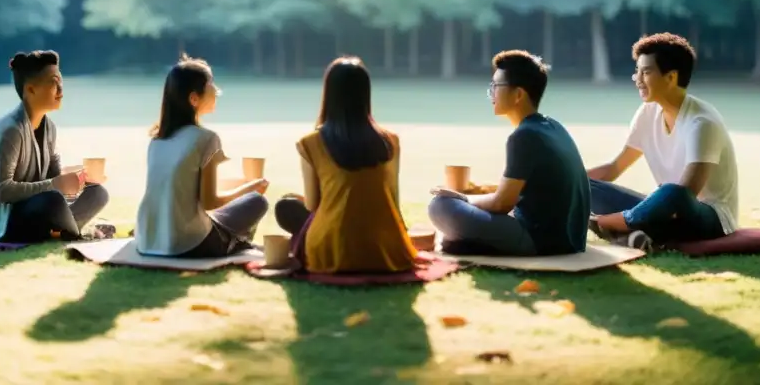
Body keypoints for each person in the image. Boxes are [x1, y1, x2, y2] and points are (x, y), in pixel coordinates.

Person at [428, 50, 590, 257]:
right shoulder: (552, 126)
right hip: (568, 239)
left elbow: (501, 203)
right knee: (457, 205)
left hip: (540, 240)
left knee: (441, 206)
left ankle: (471, 242)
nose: (491, 93)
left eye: (496, 86)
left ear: (518, 95)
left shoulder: (524, 136)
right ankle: (468, 242)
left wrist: (463, 199)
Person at [587, 33, 739, 253]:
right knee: (584, 185)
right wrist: (566, 183)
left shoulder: (702, 122)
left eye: (646, 72)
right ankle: (633, 234)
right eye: (637, 71)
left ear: (671, 77)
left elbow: (686, 196)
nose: (637, 79)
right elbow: (614, 168)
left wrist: (620, 217)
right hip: (660, 210)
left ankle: (608, 225)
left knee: (672, 193)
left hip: (709, 219)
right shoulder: (648, 113)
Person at [274, 56, 418, 273]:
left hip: (331, 250)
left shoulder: (310, 143)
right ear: (365, 94)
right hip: (388, 249)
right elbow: (393, 199)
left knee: (287, 206)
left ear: (329, 94)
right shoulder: (391, 141)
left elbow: (313, 205)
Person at [135, 56, 269, 258]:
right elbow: (210, 202)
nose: (216, 90)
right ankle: (237, 244)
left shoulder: (157, 141)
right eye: (210, 84)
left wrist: (240, 184)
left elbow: (182, 186)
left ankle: (236, 241)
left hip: (148, 240)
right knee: (256, 201)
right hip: (189, 243)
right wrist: (250, 187)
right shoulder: (206, 139)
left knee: (237, 205)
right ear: (194, 99)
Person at [0, 51, 110, 242]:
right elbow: (2, 191)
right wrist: (56, 185)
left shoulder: (49, 128)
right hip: (3, 220)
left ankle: (62, 229)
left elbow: (53, 177)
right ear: (30, 90)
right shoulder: (10, 132)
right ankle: (77, 233)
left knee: (98, 193)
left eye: (61, 81)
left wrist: (82, 177)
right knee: (52, 200)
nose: (61, 90)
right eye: (54, 82)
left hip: (36, 209)